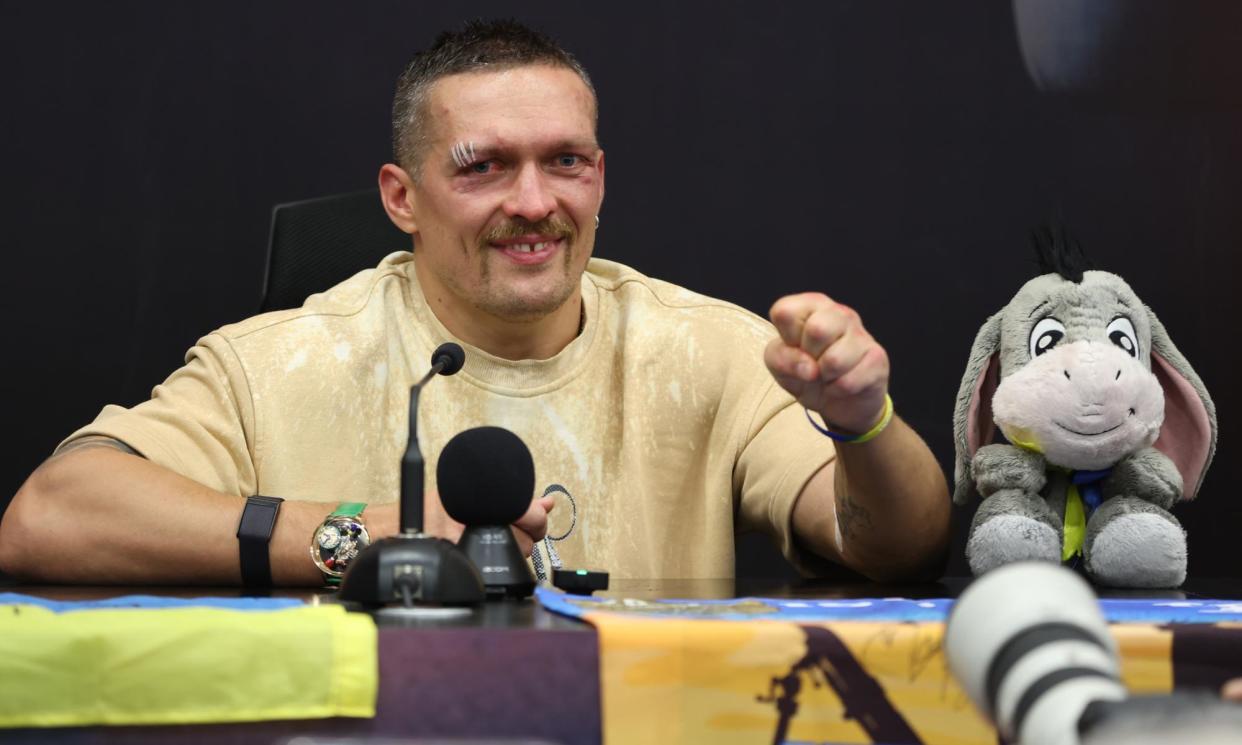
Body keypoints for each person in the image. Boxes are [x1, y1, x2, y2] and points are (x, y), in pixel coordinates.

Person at [0, 20, 949, 587]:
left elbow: (896, 551)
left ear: (601, 177)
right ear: (400, 196)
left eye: (564, 161)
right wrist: (358, 537)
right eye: (484, 166)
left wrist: (864, 427)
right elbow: (48, 516)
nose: (534, 202)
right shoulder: (275, 360)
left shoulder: (711, 349)